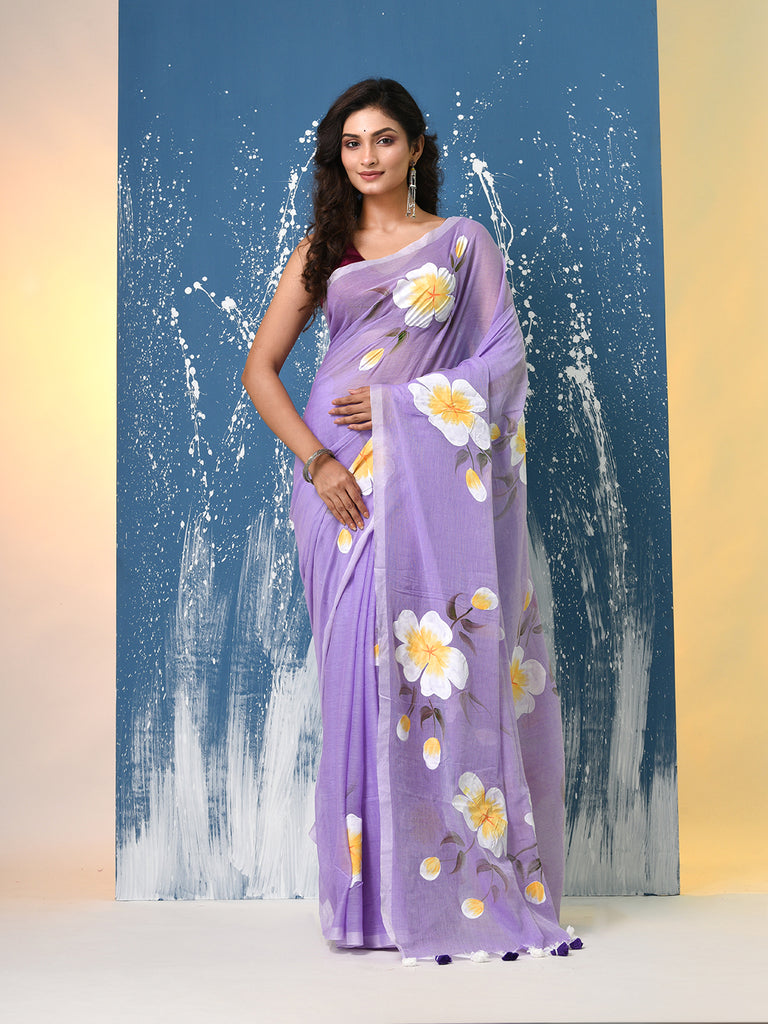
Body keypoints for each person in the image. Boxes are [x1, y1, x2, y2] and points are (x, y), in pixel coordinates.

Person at [241, 78, 580, 963]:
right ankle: (364, 906)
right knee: (356, 682)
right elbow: (260, 369)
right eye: (352, 143)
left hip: (421, 478)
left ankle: (434, 893)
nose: (368, 157)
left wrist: (401, 405)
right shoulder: (324, 249)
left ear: (417, 147)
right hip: (339, 488)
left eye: (384, 139)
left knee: (426, 673)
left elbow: (503, 365)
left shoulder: (463, 244)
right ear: (338, 155)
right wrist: (317, 462)